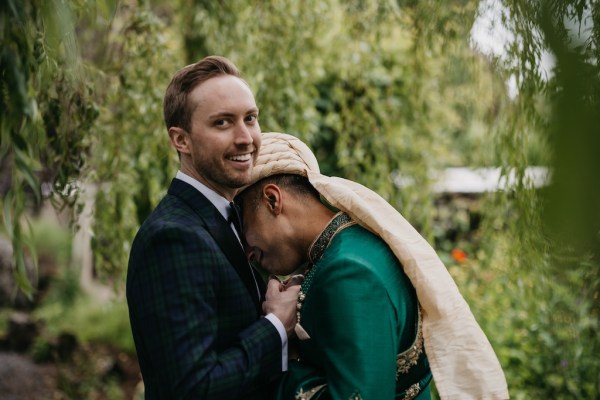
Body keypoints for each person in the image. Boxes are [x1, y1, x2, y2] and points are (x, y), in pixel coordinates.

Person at [235, 132, 510, 400]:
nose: (246, 251)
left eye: (242, 224)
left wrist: (288, 355)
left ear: (273, 200)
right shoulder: (356, 246)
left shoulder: (346, 272)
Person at [126, 57, 300, 399]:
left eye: (250, 118)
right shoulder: (173, 237)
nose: (245, 138)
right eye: (222, 123)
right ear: (182, 140)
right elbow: (191, 388)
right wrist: (276, 325)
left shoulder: (225, 215)